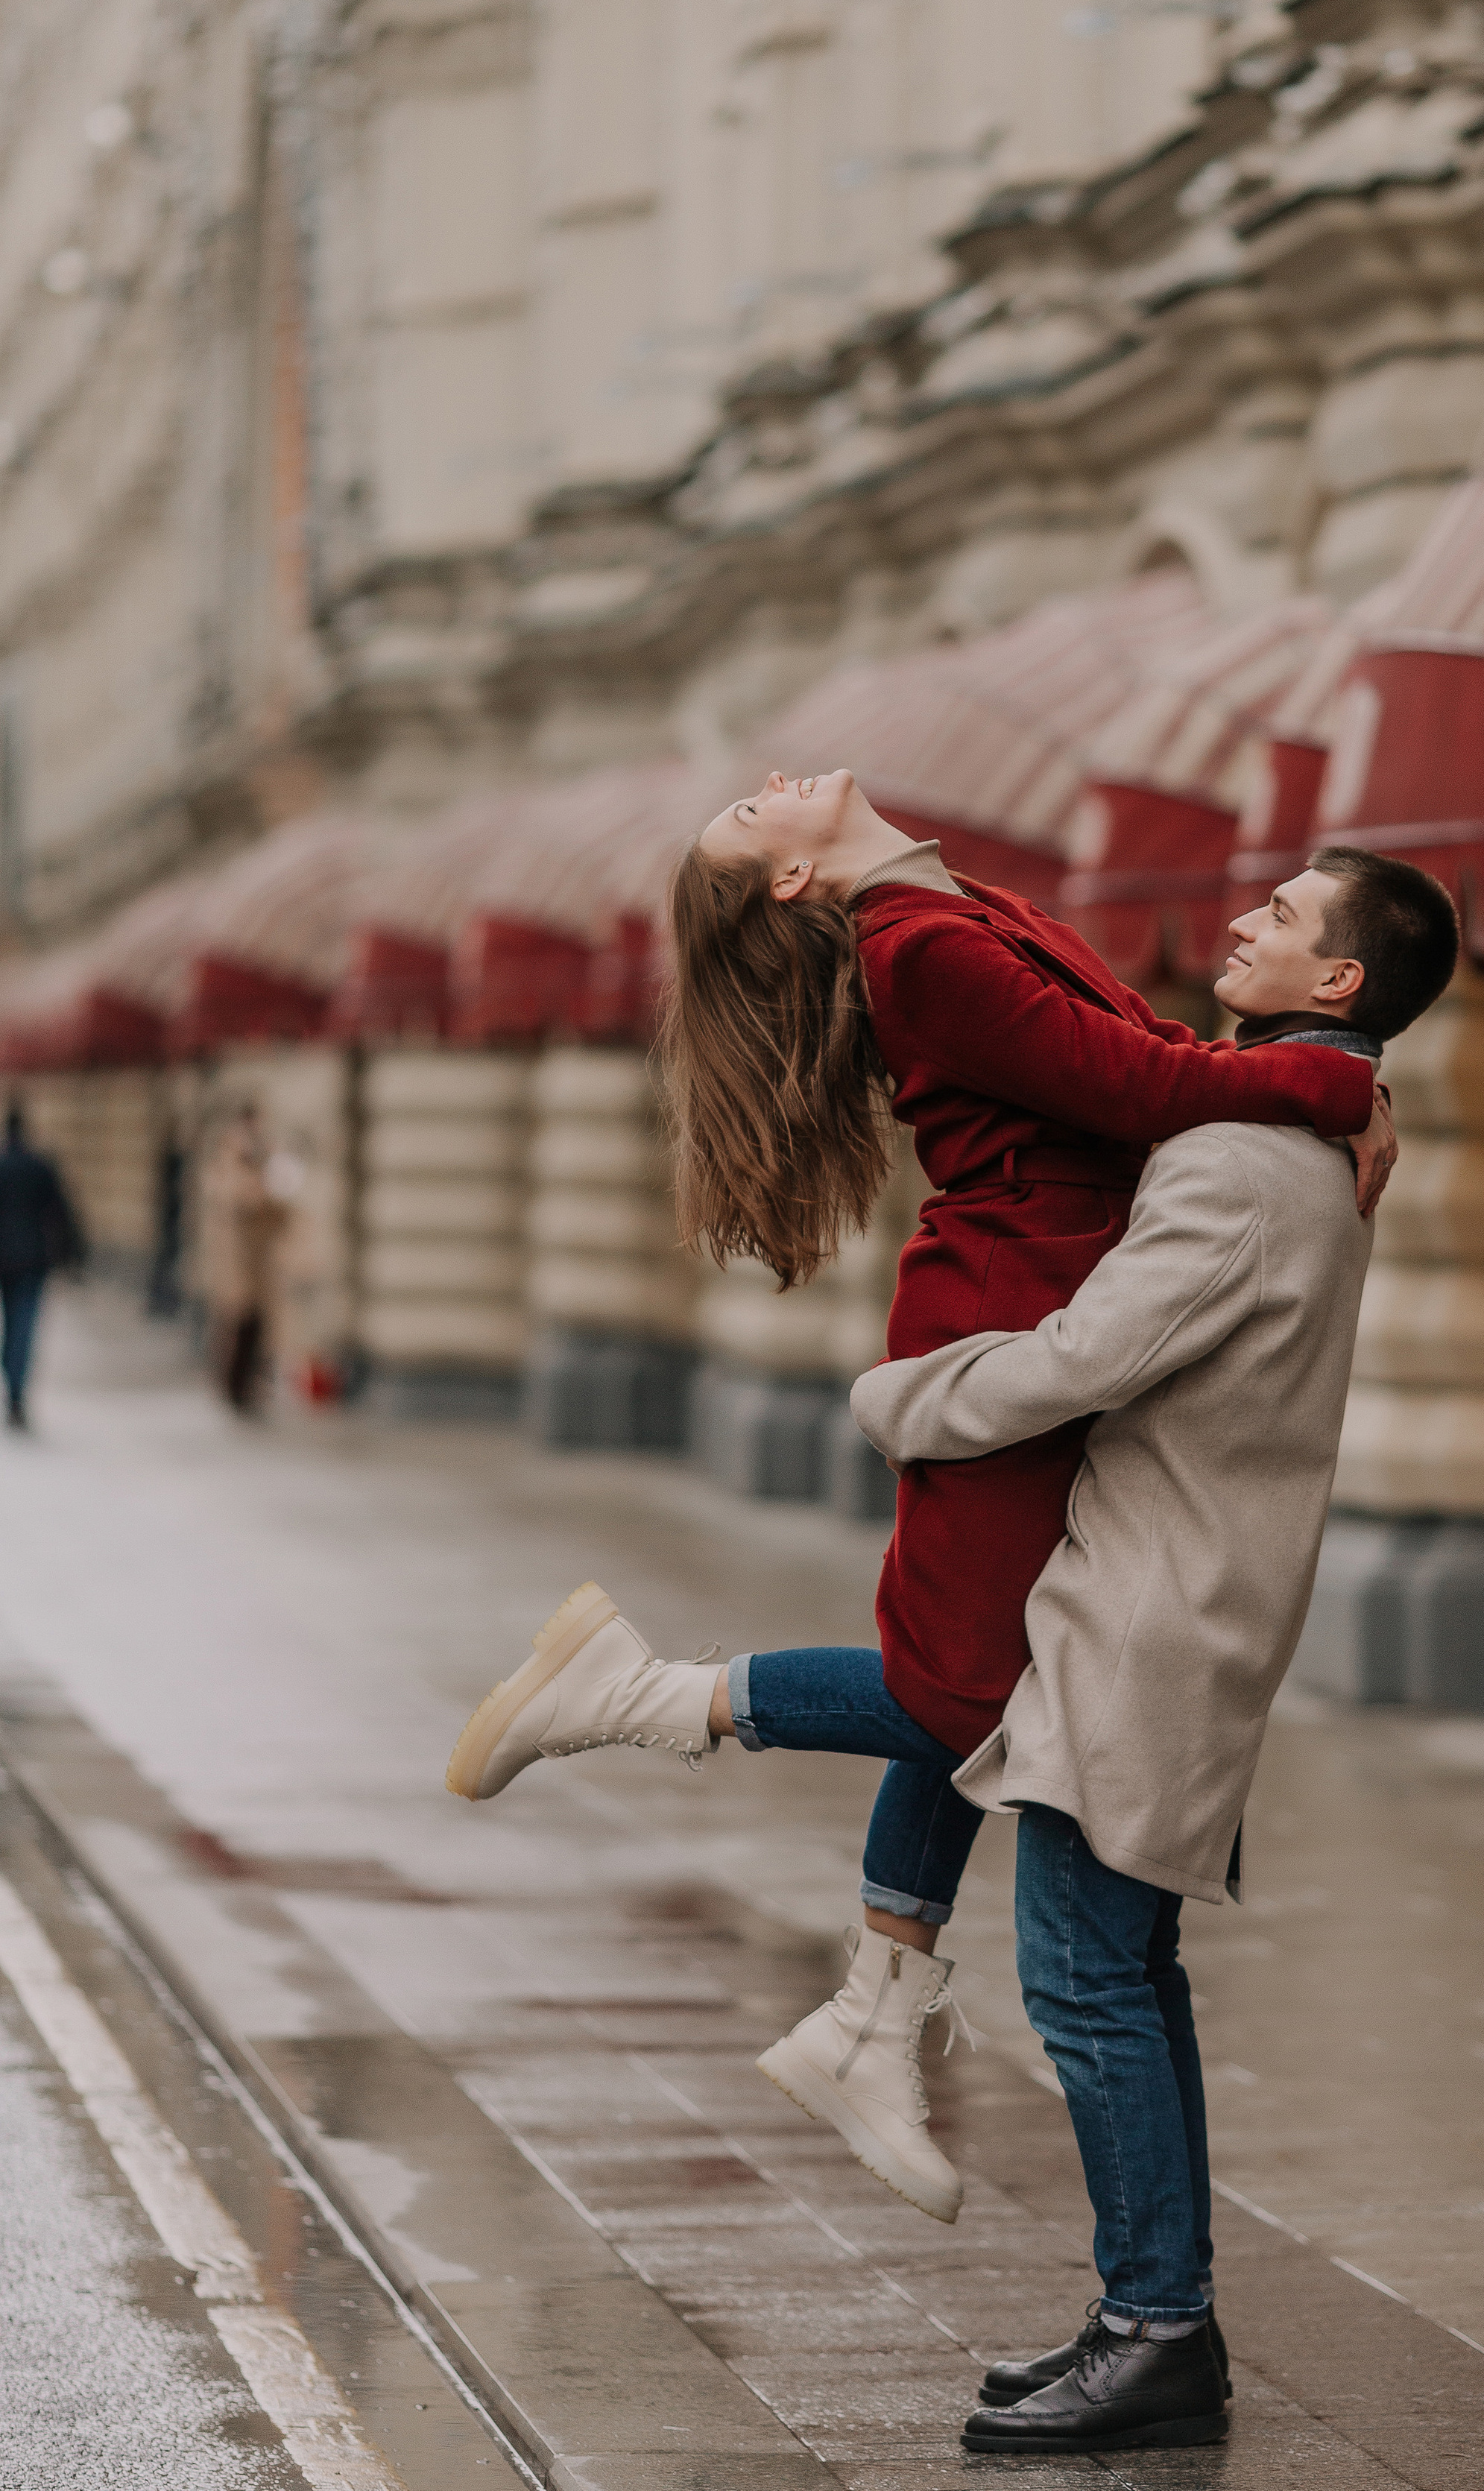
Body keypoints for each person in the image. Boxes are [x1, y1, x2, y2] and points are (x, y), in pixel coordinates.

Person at [449, 770, 1395, 2226]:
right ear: (783, 884)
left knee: (990, 1690)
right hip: (1006, 1333)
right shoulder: (919, 951)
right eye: (748, 823)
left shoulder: (956, 903)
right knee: (968, 1702)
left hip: (1041, 1312)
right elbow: (1144, 1090)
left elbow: (1133, 1043)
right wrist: (1330, 1080)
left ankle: (876, 2020)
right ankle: (646, 1696)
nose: (766, 792)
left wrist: (1337, 1080)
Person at [849, 845, 1460, 2454]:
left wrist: (896, 1398)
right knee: (1123, 1974)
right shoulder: (1282, 1126)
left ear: (1338, 985)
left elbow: (1080, 1361)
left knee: (1085, 1984)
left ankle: (1157, 2333)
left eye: (1283, 916)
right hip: (1177, 1594)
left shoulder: (1240, 1157)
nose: (1241, 915)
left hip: (1151, 1607)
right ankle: (1150, 2319)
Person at [197, 1105, 291, 1415]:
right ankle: (234, 1387)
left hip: (260, 1259)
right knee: (236, 1323)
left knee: (260, 1326)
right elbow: (230, 1200)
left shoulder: (267, 1159)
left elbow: (281, 1210)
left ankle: (253, 1385)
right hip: (236, 1261)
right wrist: (257, 1191)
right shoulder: (228, 1160)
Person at [0, 1099, 86, 1430]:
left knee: (11, 1323)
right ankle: (17, 1389)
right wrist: (73, 1254)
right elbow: (62, 1211)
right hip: (34, 1258)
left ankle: (12, 1377)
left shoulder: (3, 1165)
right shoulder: (41, 1166)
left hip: (5, 1259)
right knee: (25, 1323)